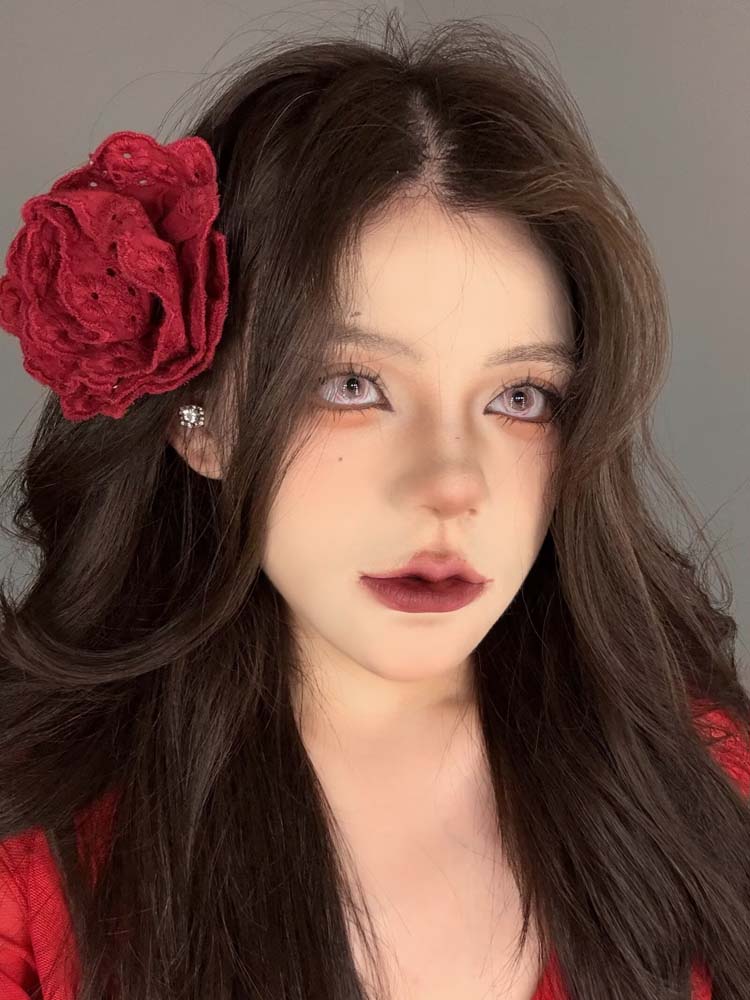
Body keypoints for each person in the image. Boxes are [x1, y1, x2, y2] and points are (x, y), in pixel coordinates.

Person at [0, 12, 748, 1000]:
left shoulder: (706, 790)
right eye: (354, 385)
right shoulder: (33, 861)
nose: (452, 485)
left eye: (519, 397)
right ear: (201, 421)